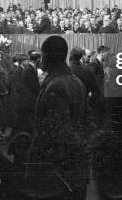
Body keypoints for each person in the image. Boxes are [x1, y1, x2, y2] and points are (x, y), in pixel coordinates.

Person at [32, 36, 88, 200]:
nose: (41, 59)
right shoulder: (76, 81)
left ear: (49, 56)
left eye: (43, 54)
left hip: (59, 171)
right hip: (75, 165)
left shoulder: (56, 85)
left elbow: (56, 134)